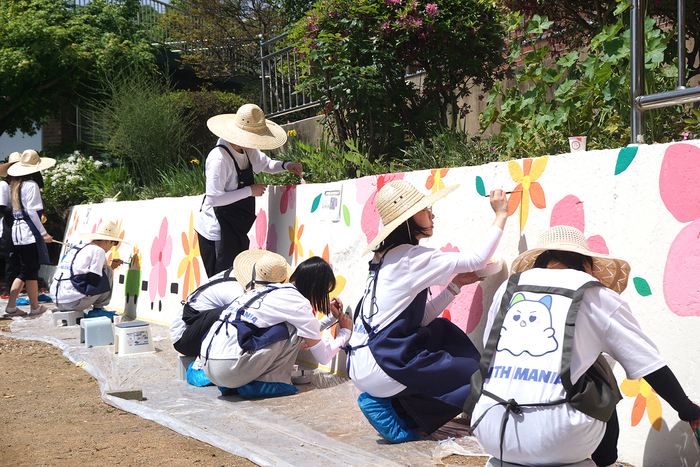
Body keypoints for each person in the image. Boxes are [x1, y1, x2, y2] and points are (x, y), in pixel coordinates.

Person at [467, 225, 700, 467]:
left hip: (490, 429)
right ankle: (606, 461)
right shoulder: (596, 294)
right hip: (558, 439)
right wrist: (686, 409)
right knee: (601, 370)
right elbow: (648, 364)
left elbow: (491, 350)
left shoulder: (509, 287)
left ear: (541, 259)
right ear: (586, 264)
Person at [344, 180, 509, 443]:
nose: (432, 214)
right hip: (383, 364)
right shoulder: (411, 257)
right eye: (425, 209)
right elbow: (478, 259)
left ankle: (400, 414)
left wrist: (455, 286)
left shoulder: (383, 257)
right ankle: (388, 406)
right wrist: (501, 214)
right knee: (469, 370)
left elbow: (417, 319)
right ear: (409, 219)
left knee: (435, 332)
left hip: (360, 362)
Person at [200, 254, 352, 398]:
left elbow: (307, 330)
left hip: (210, 367)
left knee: (292, 328)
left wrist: (331, 317)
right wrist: (345, 332)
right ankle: (266, 383)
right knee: (290, 329)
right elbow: (323, 357)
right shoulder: (299, 303)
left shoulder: (271, 291)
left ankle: (235, 383)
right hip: (228, 369)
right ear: (316, 288)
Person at [194, 104, 303, 279]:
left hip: (235, 226)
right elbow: (214, 198)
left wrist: (286, 166)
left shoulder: (246, 149)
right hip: (216, 232)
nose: (253, 143)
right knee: (220, 281)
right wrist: (249, 191)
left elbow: (265, 164)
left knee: (238, 277)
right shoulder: (219, 159)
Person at [170, 249, 293, 357]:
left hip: (198, 324)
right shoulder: (235, 291)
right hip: (184, 337)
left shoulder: (241, 278)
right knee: (242, 314)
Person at [3, 150, 54, 317]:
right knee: (28, 270)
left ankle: (31, 306)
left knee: (29, 270)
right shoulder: (30, 185)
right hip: (28, 233)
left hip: (17, 234)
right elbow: (32, 212)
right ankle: (20, 306)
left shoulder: (15, 185)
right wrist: (44, 233)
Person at [49, 220, 126, 315]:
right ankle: (99, 309)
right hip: (73, 302)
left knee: (106, 269)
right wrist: (107, 270)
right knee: (108, 270)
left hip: (58, 300)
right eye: (112, 246)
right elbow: (94, 280)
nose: (110, 249)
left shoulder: (79, 247)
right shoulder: (98, 251)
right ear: (108, 241)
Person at [0, 152, 22, 296]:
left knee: (19, 260)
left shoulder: (21, 184)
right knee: (10, 259)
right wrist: (20, 211)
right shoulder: (4, 185)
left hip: (20, 227)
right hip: (8, 226)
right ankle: (10, 292)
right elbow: (2, 208)